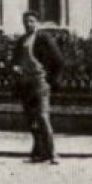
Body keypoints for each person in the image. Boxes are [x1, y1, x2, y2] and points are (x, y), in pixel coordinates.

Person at [13, 12, 63, 165]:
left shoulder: (43, 38)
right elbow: (15, 59)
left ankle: (53, 153)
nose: (28, 24)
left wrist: (50, 81)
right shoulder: (21, 40)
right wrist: (15, 67)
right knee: (31, 120)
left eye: (32, 21)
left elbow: (59, 60)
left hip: (40, 82)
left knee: (42, 116)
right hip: (25, 83)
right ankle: (39, 152)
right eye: (26, 21)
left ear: (37, 23)